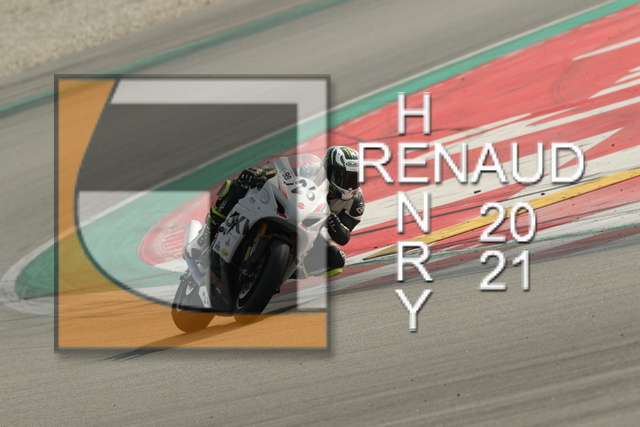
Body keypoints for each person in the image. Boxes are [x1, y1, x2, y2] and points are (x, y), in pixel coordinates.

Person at [183, 146, 365, 278]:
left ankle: (280, 272)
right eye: (344, 177)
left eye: (354, 178)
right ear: (329, 170)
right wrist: (259, 171)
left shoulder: (356, 202)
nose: (349, 184)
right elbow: (281, 168)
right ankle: (207, 233)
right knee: (240, 184)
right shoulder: (311, 169)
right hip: (289, 205)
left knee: (336, 260)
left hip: (311, 229)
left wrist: (332, 221)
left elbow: (344, 237)